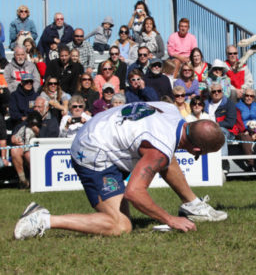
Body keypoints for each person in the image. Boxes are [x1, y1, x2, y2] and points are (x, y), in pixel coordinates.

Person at [14, 102, 228, 240]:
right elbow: (135, 193)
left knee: (165, 154)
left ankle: (192, 205)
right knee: (121, 225)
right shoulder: (160, 149)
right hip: (92, 151)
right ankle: (42, 219)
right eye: (200, 154)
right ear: (197, 149)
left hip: (99, 130)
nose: (196, 157)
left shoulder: (171, 111)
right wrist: (169, 219)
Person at [11, 96, 59, 189]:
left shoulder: (52, 120)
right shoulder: (31, 117)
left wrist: (37, 131)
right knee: (14, 151)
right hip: (26, 145)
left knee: (29, 155)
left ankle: (37, 181)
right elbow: (19, 127)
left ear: (46, 108)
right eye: (35, 106)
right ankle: (23, 181)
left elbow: (51, 137)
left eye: (39, 107)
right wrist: (13, 136)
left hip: (43, 150)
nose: (36, 109)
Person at [235, 88, 256, 169]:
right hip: (244, 130)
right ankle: (250, 163)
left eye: (251, 96)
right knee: (245, 136)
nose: (249, 97)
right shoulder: (237, 107)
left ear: (254, 97)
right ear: (243, 96)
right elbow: (238, 121)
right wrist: (247, 130)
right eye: (247, 95)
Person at [204, 82, 239, 157]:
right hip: (207, 130)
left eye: (219, 91)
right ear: (210, 93)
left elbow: (230, 122)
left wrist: (216, 125)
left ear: (222, 92)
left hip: (226, 131)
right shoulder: (205, 104)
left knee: (220, 133)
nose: (216, 93)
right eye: (214, 91)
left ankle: (224, 162)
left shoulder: (229, 104)